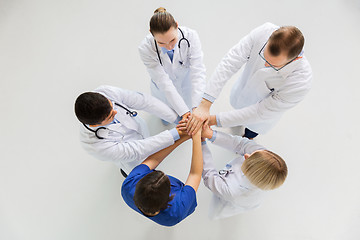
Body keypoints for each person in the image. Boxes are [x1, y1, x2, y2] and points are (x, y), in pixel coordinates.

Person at [187, 22, 312, 138]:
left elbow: (260, 111)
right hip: (242, 94)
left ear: (294, 60)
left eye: (274, 66)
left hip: (261, 117)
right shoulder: (263, 33)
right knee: (237, 112)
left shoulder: (300, 81)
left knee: (251, 131)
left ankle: (247, 137)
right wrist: (205, 103)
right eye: (264, 57)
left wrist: (215, 120)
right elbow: (230, 62)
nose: (266, 65)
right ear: (269, 38)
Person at [74, 85, 181, 175]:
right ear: (94, 125)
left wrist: (176, 119)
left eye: (113, 106)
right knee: (143, 172)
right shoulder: (93, 145)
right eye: (110, 116)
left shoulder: (105, 92)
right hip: (135, 159)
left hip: (141, 133)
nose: (115, 112)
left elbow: (144, 102)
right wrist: (176, 133)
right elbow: (137, 150)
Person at [121, 124, 203, 227]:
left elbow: (154, 159)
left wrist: (183, 137)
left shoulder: (128, 186)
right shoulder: (177, 210)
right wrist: (197, 137)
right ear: (169, 197)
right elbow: (194, 174)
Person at [200, 125, 287, 220]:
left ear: (251, 172)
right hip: (250, 195)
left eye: (249, 159)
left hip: (235, 203)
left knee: (218, 209)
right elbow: (241, 144)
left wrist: (202, 143)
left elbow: (209, 175)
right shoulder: (264, 156)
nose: (246, 154)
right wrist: (212, 135)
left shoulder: (232, 191)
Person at [138, 7, 206, 123]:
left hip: (186, 83)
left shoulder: (191, 36)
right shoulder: (145, 48)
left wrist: (196, 107)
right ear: (151, 33)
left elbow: (198, 72)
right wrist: (183, 112)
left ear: (177, 25)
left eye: (172, 40)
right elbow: (163, 82)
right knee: (167, 116)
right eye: (161, 43)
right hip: (163, 90)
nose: (169, 46)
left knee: (190, 106)